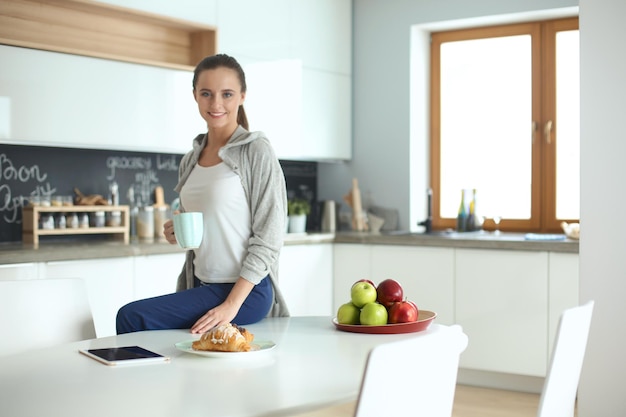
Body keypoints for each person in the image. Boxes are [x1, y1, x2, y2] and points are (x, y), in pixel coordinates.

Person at [116, 54, 289, 335]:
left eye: (227, 94)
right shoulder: (191, 159)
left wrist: (231, 306)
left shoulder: (256, 151)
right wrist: (177, 230)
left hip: (245, 293)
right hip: (202, 285)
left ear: (242, 96)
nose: (216, 104)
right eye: (206, 94)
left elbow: (270, 236)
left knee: (132, 317)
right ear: (195, 95)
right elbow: (210, 223)